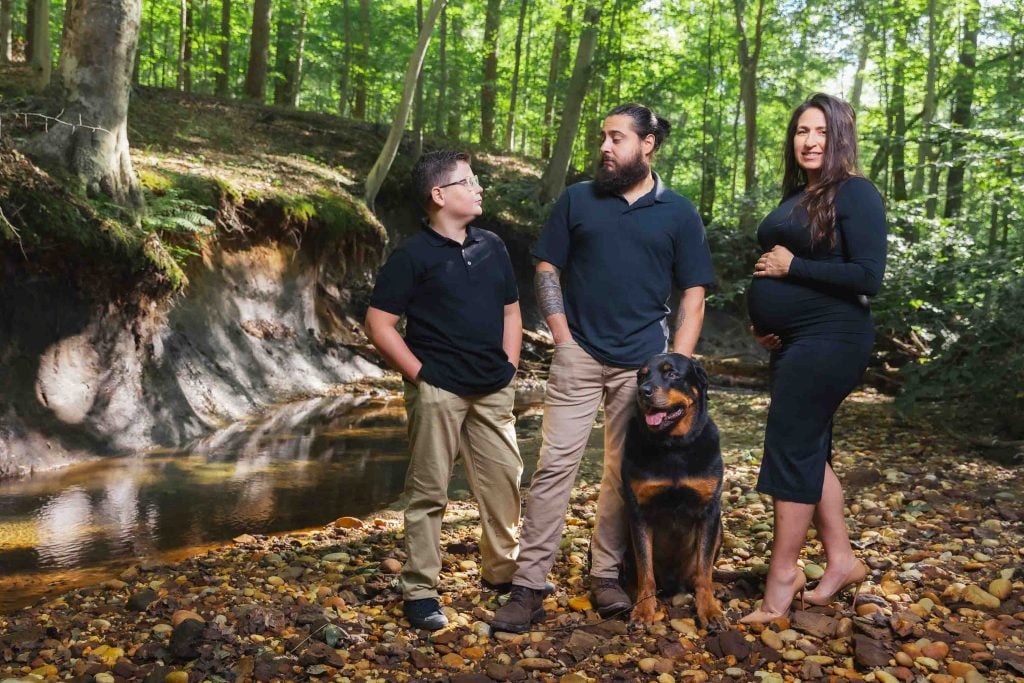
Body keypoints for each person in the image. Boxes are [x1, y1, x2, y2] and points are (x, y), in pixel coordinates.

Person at [490, 103, 715, 633]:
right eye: (602, 137)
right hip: (580, 355)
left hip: (645, 369)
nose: (605, 147)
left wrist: (675, 366)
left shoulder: (679, 213)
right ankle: (528, 586)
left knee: (622, 473)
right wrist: (563, 339)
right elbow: (547, 266)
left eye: (617, 138)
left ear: (648, 144)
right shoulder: (577, 200)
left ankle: (607, 576)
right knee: (554, 468)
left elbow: (694, 292)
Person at [740, 93, 887, 624]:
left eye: (822, 132)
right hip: (796, 341)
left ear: (841, 137)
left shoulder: (856, 193)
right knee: (810, 448)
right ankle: (842, 559)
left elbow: (869, 276)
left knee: (789, 445)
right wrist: (766, 323)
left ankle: (782, 579)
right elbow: (777, 269)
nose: (810, 140)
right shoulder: (799, 196)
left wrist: (793, 267)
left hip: (834, 338)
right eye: (802, 131)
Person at [364, 150, 524, 631]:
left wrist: (510, 365)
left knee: (505, 486)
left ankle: (501, 574)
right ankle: (420, 591)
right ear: (439, 195)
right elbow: (379, 324)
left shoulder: (492, 246)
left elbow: (511, 312)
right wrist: (422, 376)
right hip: (439, 391)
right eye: (468, 181)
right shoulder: (412, 256)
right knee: (430, 493)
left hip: (493, 389)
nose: (478, 189)